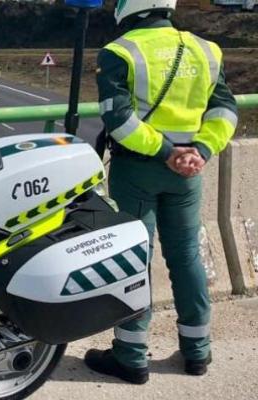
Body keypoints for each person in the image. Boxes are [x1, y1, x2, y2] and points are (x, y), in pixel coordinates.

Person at [84, 0, 238, 384]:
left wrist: (166, 153)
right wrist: (200, 151)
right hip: (189, 171)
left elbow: (118, 120)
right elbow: (225, 111)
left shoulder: (120, 51)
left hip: (139, 169)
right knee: (187, 257)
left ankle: (131, 356)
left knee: (135, 260)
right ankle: (197, 353)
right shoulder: (207, 49)